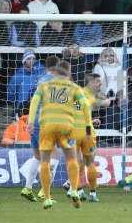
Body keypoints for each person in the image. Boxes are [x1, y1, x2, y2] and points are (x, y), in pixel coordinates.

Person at [27, 60, 92, 209]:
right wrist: (88, 125)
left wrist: (30, 122)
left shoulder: (44, 86)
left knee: (45, 160)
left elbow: (34, 102)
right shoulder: (74, 87)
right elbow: (85, 106)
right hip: (66, 126)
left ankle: (47, 198)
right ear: (68, 73)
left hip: (47, 125)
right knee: (71, 158)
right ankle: (74, 190)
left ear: (55, 72)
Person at [20, 55, 60, 202]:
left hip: (35, 121)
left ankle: (28, 188)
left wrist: (30, 122)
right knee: (54, 156)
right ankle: (44, 190)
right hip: (47, 122)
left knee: (37, 156)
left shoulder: (41, 80)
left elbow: (34, 101)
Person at [67, 73, 104, 202]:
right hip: (87, 133)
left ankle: (77, 189)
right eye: (98, 81)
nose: (100, 84)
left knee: (77, 163)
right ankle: (92, 194)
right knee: (89, 163)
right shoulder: (87, 96)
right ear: (91, 82)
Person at [7, 49, 45, 114]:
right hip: (22, 110)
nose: (31, 61)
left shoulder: (40, 74)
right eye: (29, 59)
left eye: (33, 58)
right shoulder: (17, 76)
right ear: (24, 61)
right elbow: (11, 95)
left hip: (38, 109)